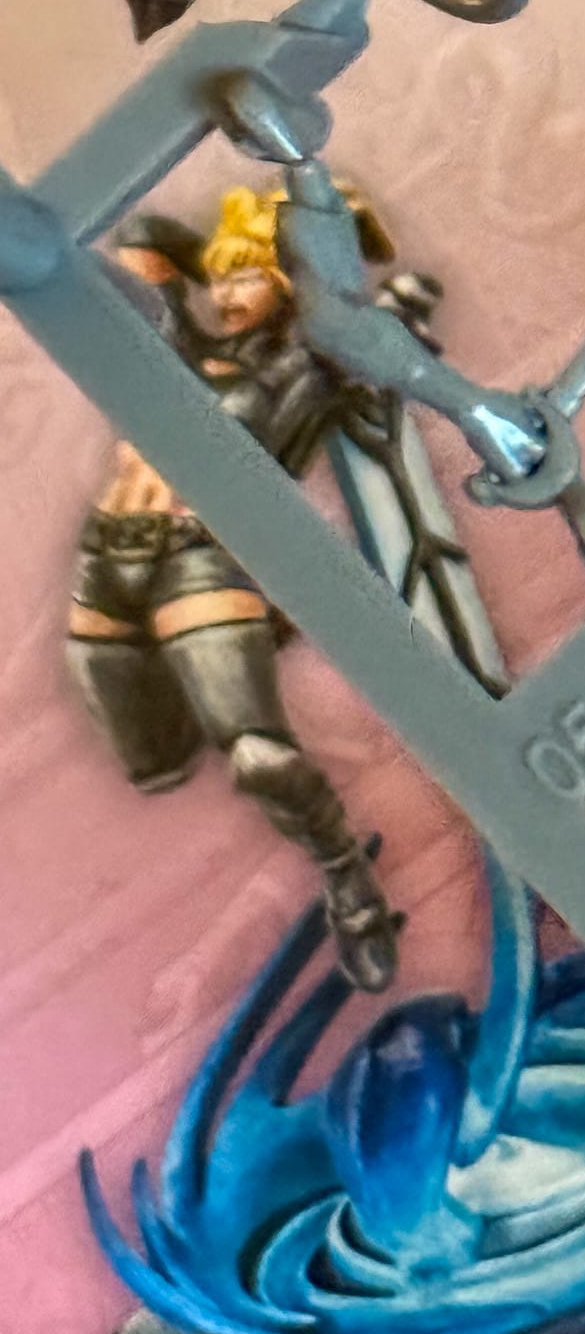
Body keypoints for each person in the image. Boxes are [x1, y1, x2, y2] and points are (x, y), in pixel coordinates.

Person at [66, 187, 412, 992]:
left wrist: (306, 256)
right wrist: (235, 246)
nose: (226, 293)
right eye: (221, 275)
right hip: (106, 559)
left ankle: (348, 881)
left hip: (200, 560)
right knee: (153, 763)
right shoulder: (176, 339)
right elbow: (143, 235)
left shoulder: (303, 366)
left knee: (259, 757)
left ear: (287, 288)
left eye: (248, 278)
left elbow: (366, 365)